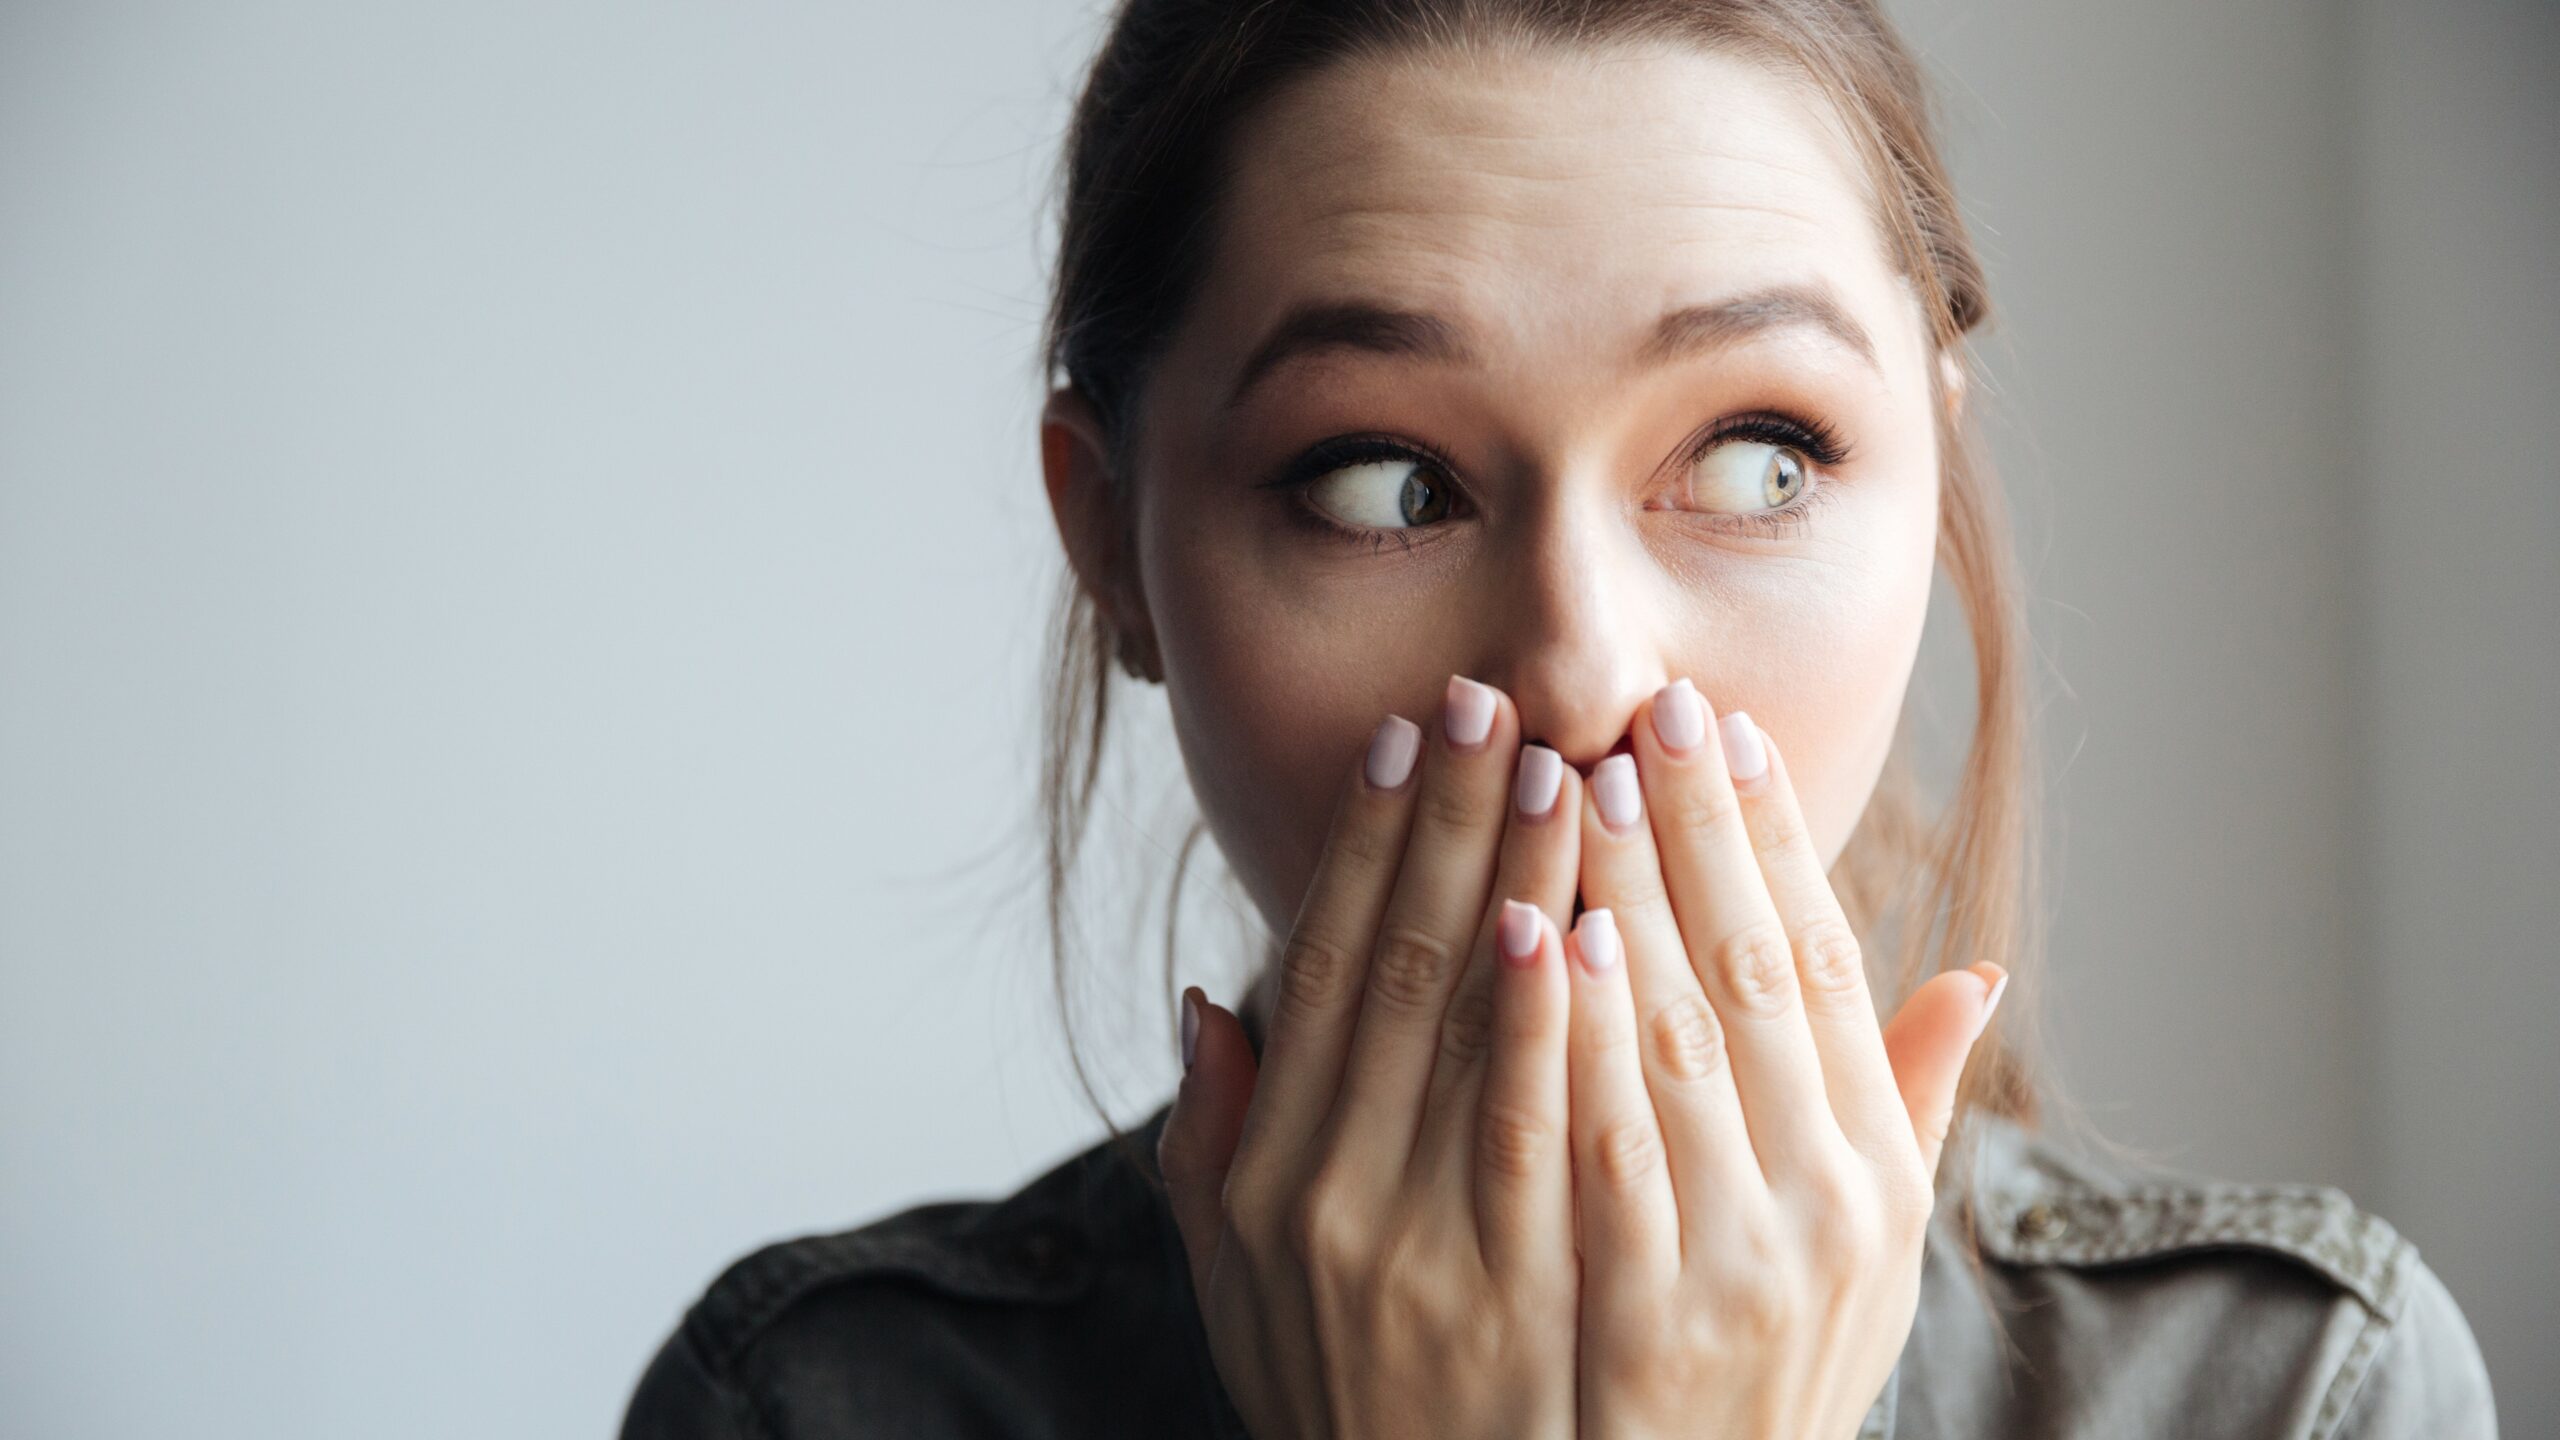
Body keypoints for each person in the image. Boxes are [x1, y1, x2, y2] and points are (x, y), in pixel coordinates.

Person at [619, 1, 2499, 1435]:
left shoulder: (2294, 1391)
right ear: (1111, 542)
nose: (1585, 669)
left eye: (1760, 457)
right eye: (1378, 483)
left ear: (1930, 469)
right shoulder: (819, 1409)